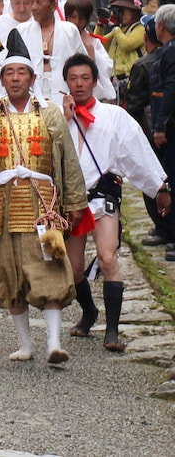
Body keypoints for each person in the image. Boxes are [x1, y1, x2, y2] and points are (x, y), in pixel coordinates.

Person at [0, 29, 87, 365]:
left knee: (50, 269)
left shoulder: (49, 112)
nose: (15, 78)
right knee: (10, 274)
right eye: (9, 72)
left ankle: (54, 343)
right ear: (2, 79)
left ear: (32, 78)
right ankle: (25, 344)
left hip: (43, 204)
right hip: (3, 206)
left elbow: (68, 158)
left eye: (21, 72)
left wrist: (75, 202)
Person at [61, 53, 169, 352]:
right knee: (73, 268)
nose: (79, 84)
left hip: (103, 194)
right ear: (66, 82)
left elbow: (137, 152)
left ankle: (112, 330)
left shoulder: (114, 116)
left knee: (108, 257)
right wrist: (65, 122)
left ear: (95, 81)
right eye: (73, 78)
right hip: (72, 200)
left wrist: (159, 187)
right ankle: (89, 312)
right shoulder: (57, 117)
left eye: (85, 78)